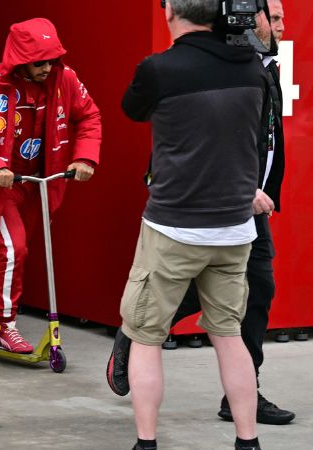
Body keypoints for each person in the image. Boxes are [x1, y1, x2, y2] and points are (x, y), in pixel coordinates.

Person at [107, 0, 294, 429]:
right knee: (209, 318)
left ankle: (217, 407)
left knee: (256, 293)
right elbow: (212, 134)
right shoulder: (239, 67)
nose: (280, 25)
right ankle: (135, 337)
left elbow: (252, 138)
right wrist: (244, 189)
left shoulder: (254, 66)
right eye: (273, 16)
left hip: (235, 207)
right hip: (221, 207)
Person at [0, 18, 101, 353]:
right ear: (19, 59)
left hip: (41, 182)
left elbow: (89, 117)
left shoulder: (66, 79)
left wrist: (85, 158)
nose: (47, 67)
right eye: (39, 62)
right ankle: (7, 326)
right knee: (16, 249)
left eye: (52, 59)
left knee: (11, 250)